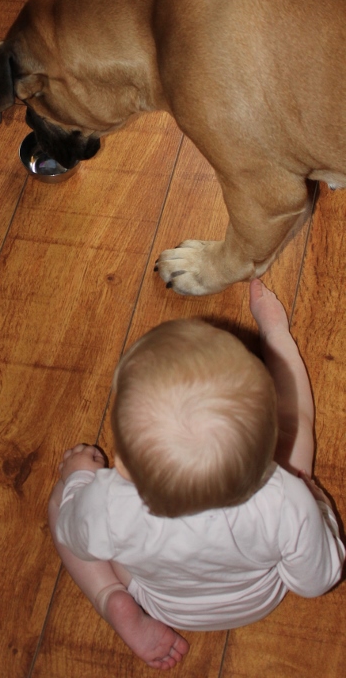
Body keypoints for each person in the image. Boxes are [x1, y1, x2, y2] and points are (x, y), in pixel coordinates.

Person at [48, 279, 345, 671]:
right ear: (264, 448)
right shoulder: (286, 499)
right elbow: (317, 580)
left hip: (161, 601)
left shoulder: (109, 504)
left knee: (61, 505)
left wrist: (80, 478)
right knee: (299, 422)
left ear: (123, 464)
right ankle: (276, 336)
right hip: (257, 598)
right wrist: (317, 505)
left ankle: (108, 597)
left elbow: (74, 533)